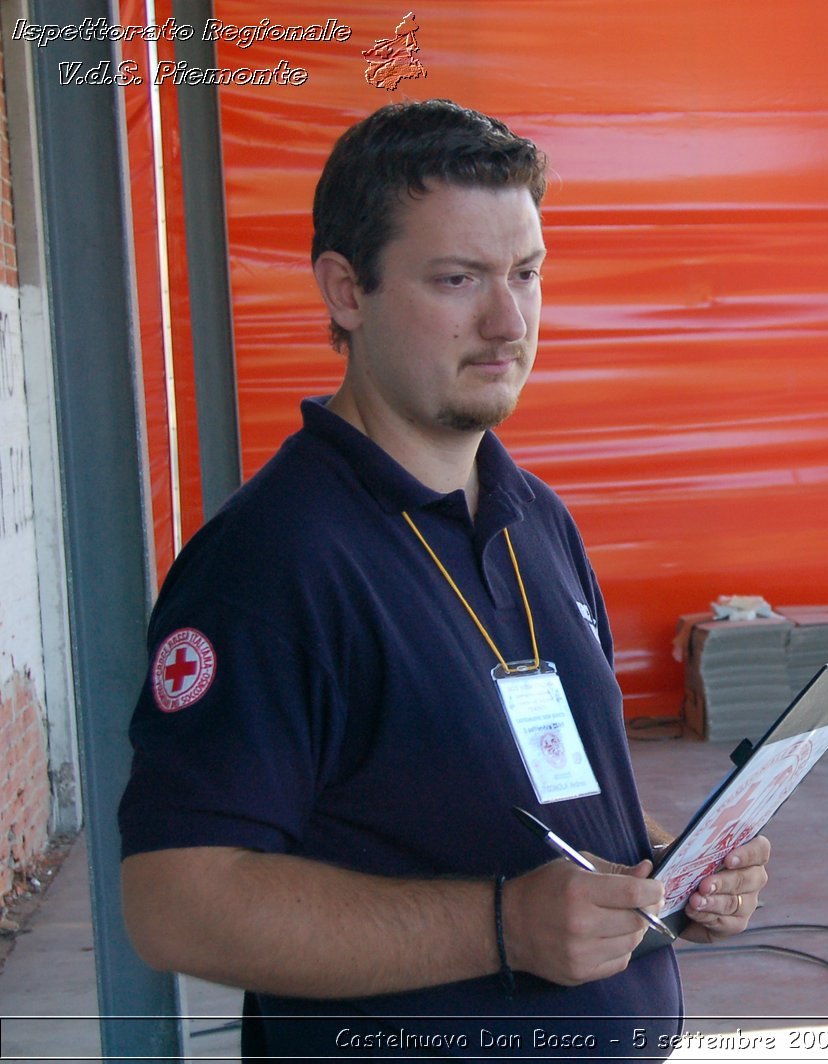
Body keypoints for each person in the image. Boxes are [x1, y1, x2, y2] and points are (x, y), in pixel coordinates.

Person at [118, 100, 770, 1061]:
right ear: (346, 289)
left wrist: (664, 872)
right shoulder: (270, 567)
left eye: (527, 274)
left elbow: (523, 794)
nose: (507, 320)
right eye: (458, 279)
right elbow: (176, 903)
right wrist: (503, 928)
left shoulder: (533, 517)